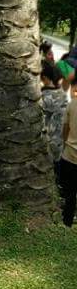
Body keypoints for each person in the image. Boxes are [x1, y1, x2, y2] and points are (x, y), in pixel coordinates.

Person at [41, 61, 68, 185]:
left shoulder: (42, 98)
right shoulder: (63, 95)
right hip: (61, 145)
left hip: (46, 146)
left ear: (45, 79)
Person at [60, 83, 77, 226]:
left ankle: (67, 222)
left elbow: (65, 128)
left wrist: (66, 141)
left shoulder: (72, 104)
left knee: (69, 194)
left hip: (70, 156)